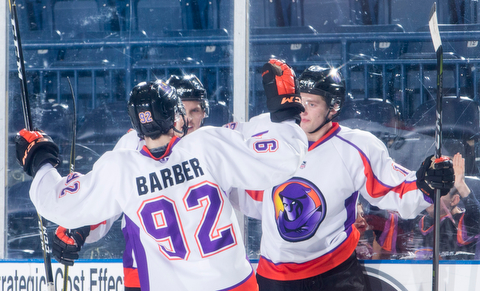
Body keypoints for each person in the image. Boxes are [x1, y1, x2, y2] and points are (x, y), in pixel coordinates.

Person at [15, 60, 307, 290]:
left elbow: (60, 204)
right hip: (231, 283)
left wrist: (41, 163)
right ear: (175, 114)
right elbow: (282, 159)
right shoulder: (209, 143)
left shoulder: (122, 165)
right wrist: (285, 113)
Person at [244, 65, 454, 291]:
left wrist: (426, 184)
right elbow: (252, 198)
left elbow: (394, 189)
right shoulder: (270, 141)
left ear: (333, 108)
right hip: (274, 276)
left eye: (312, 104)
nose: (302, 110)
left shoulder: (356, 147)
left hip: (334, 275)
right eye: (299, 100)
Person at [51, 74, 211, 291]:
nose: (188, 119)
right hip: (143, 272)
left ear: (205, 112)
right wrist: (82, 225)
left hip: (206, 275)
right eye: (182, 110)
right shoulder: (132, 144)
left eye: (195, 110)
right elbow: (106, 197)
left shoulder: (214, 149)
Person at [415, 152, 480, 260]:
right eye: (429, 189)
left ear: (454, 200)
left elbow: (477, 217)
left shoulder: (462, 222)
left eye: (438, 192)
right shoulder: (419, 220)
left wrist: (460, 184)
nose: (430, 196)